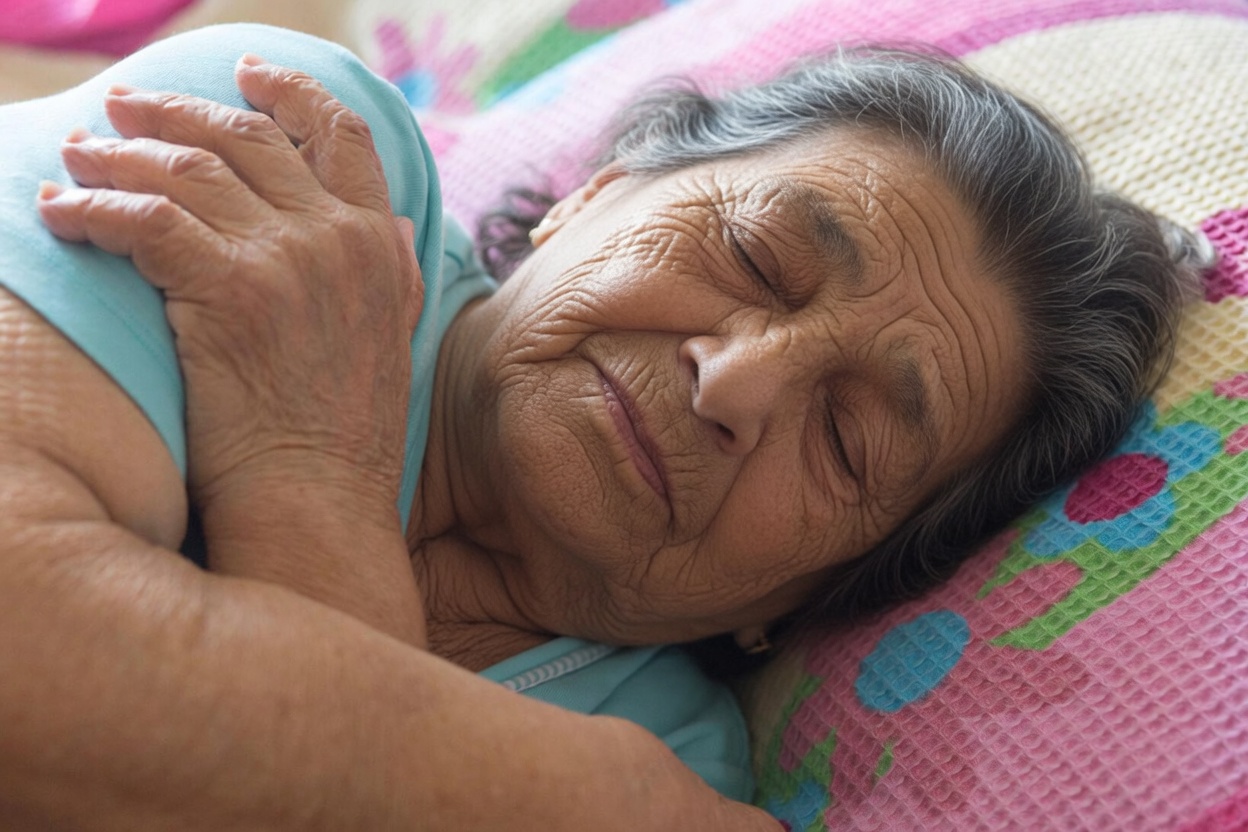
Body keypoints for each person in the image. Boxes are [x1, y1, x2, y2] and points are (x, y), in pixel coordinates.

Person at [0, 23, 1203, 831]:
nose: (737, 385)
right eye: (751, 254)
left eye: (847, 444)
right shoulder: (305, 157)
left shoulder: (677, 754)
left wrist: (311, 483)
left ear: (798, 599)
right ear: (600, 189)